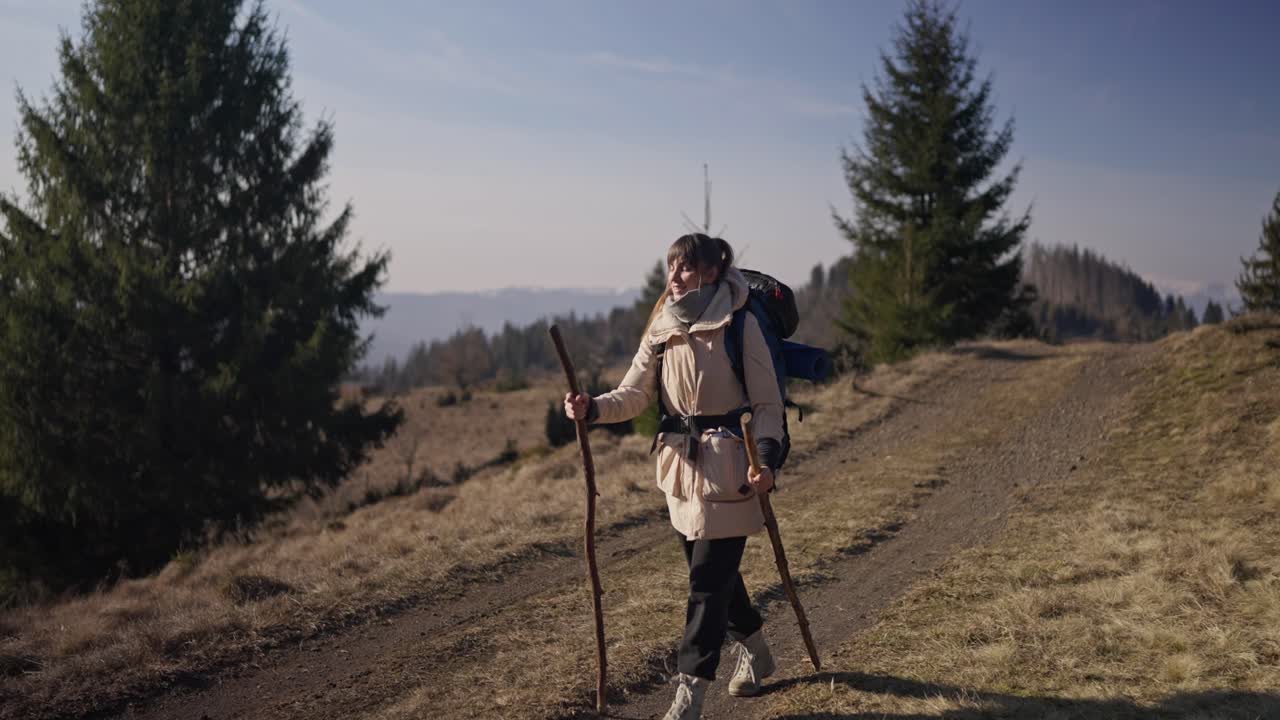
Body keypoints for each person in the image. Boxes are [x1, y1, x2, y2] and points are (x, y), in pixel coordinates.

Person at [564, 233, 785, 720]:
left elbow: (768, 406)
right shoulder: (662, 325)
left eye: (685, 268)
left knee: (707, 583)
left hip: (732, 472)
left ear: (709, 271)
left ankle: (690, 692)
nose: (675, 276)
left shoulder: (739, 323)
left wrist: (766, 461)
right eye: (671, 267)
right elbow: (635, 393)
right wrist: (593, 408)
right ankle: (757, 650)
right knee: (711, 576)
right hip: (679, 473)